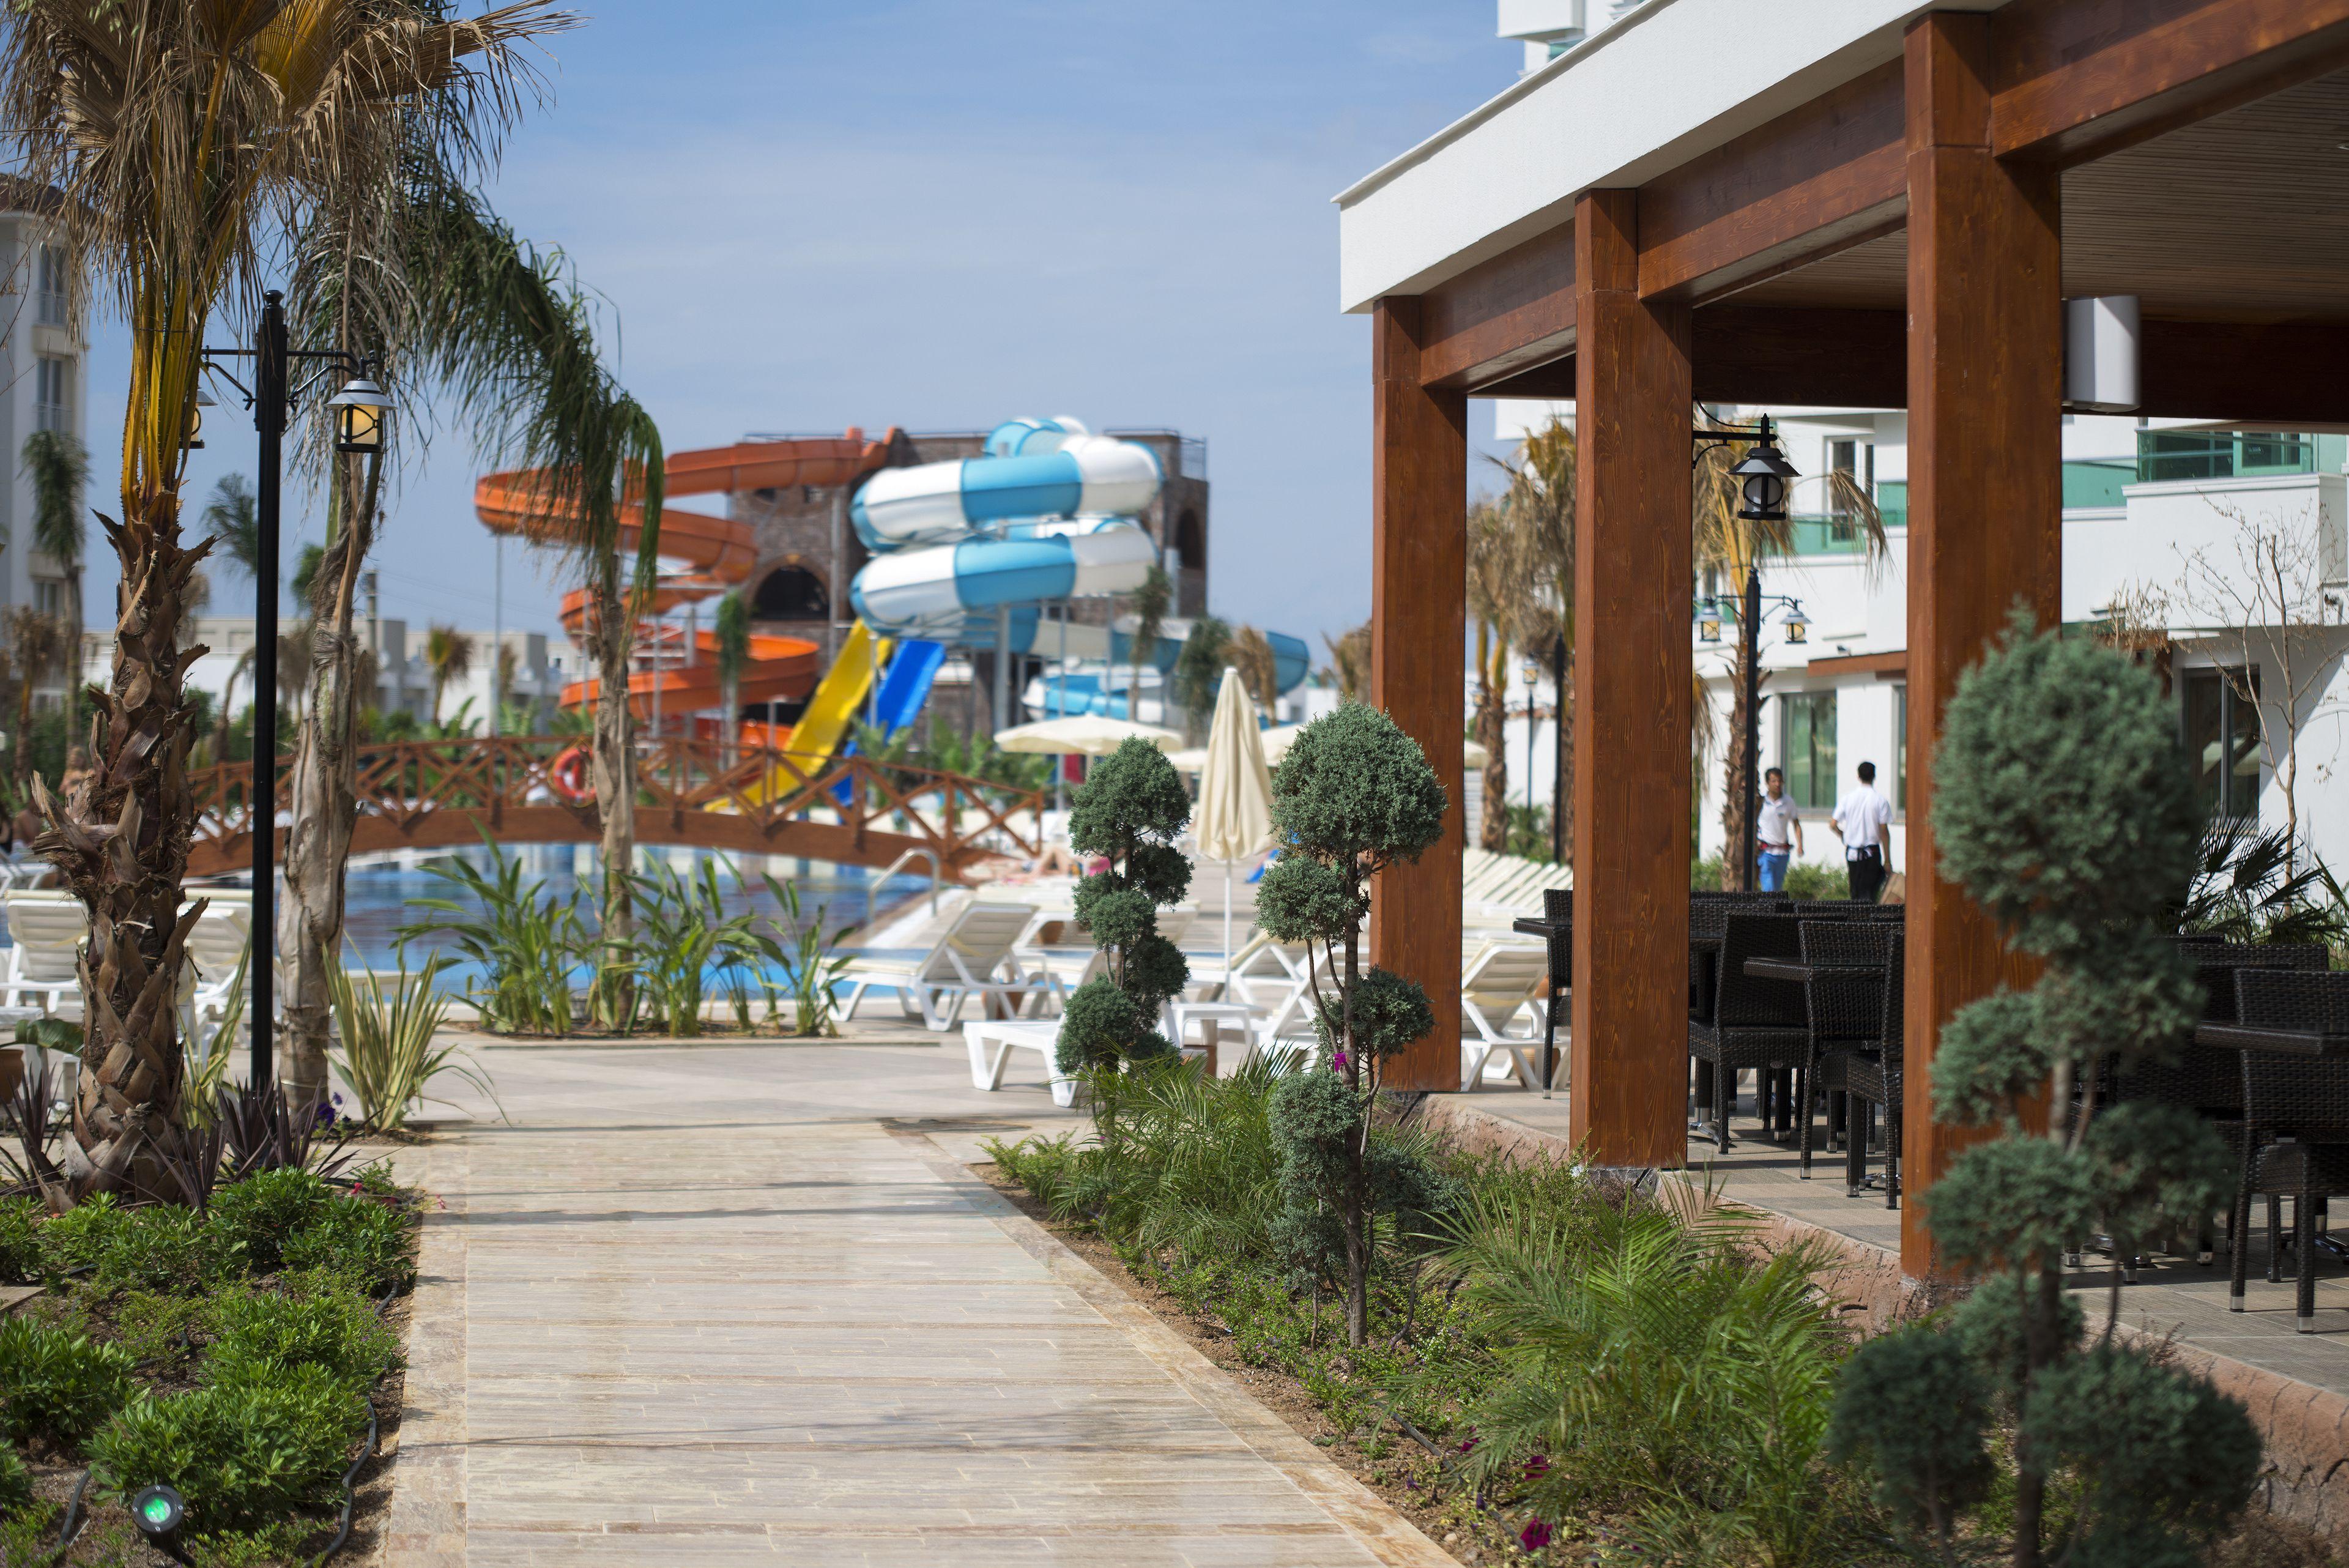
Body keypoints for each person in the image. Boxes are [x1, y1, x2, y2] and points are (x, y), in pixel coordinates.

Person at [1829, 760, 1895, 903]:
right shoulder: (1880, 800)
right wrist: (1888, 860)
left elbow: (1833, 824)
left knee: (1855, 893)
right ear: (1874, 776)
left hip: (1852, 853)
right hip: (1872, 852)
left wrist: (1843, 835)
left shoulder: (1847, 798)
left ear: (1858, 776)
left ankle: (1856, 916)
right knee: (1870, 894)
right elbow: (1884, 831)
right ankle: (1868, 917)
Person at [1754, 766, 1802, 892]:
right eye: (1774, 781)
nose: (1777, 784)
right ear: (1767, 783)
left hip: (1782, 853)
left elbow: (1796, 824)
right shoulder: (1761, 802)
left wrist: (1800, 845)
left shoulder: (1788, 801)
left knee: (1777, 888)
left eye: (1780, 781)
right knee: (1768, 888)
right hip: (1765, 852)